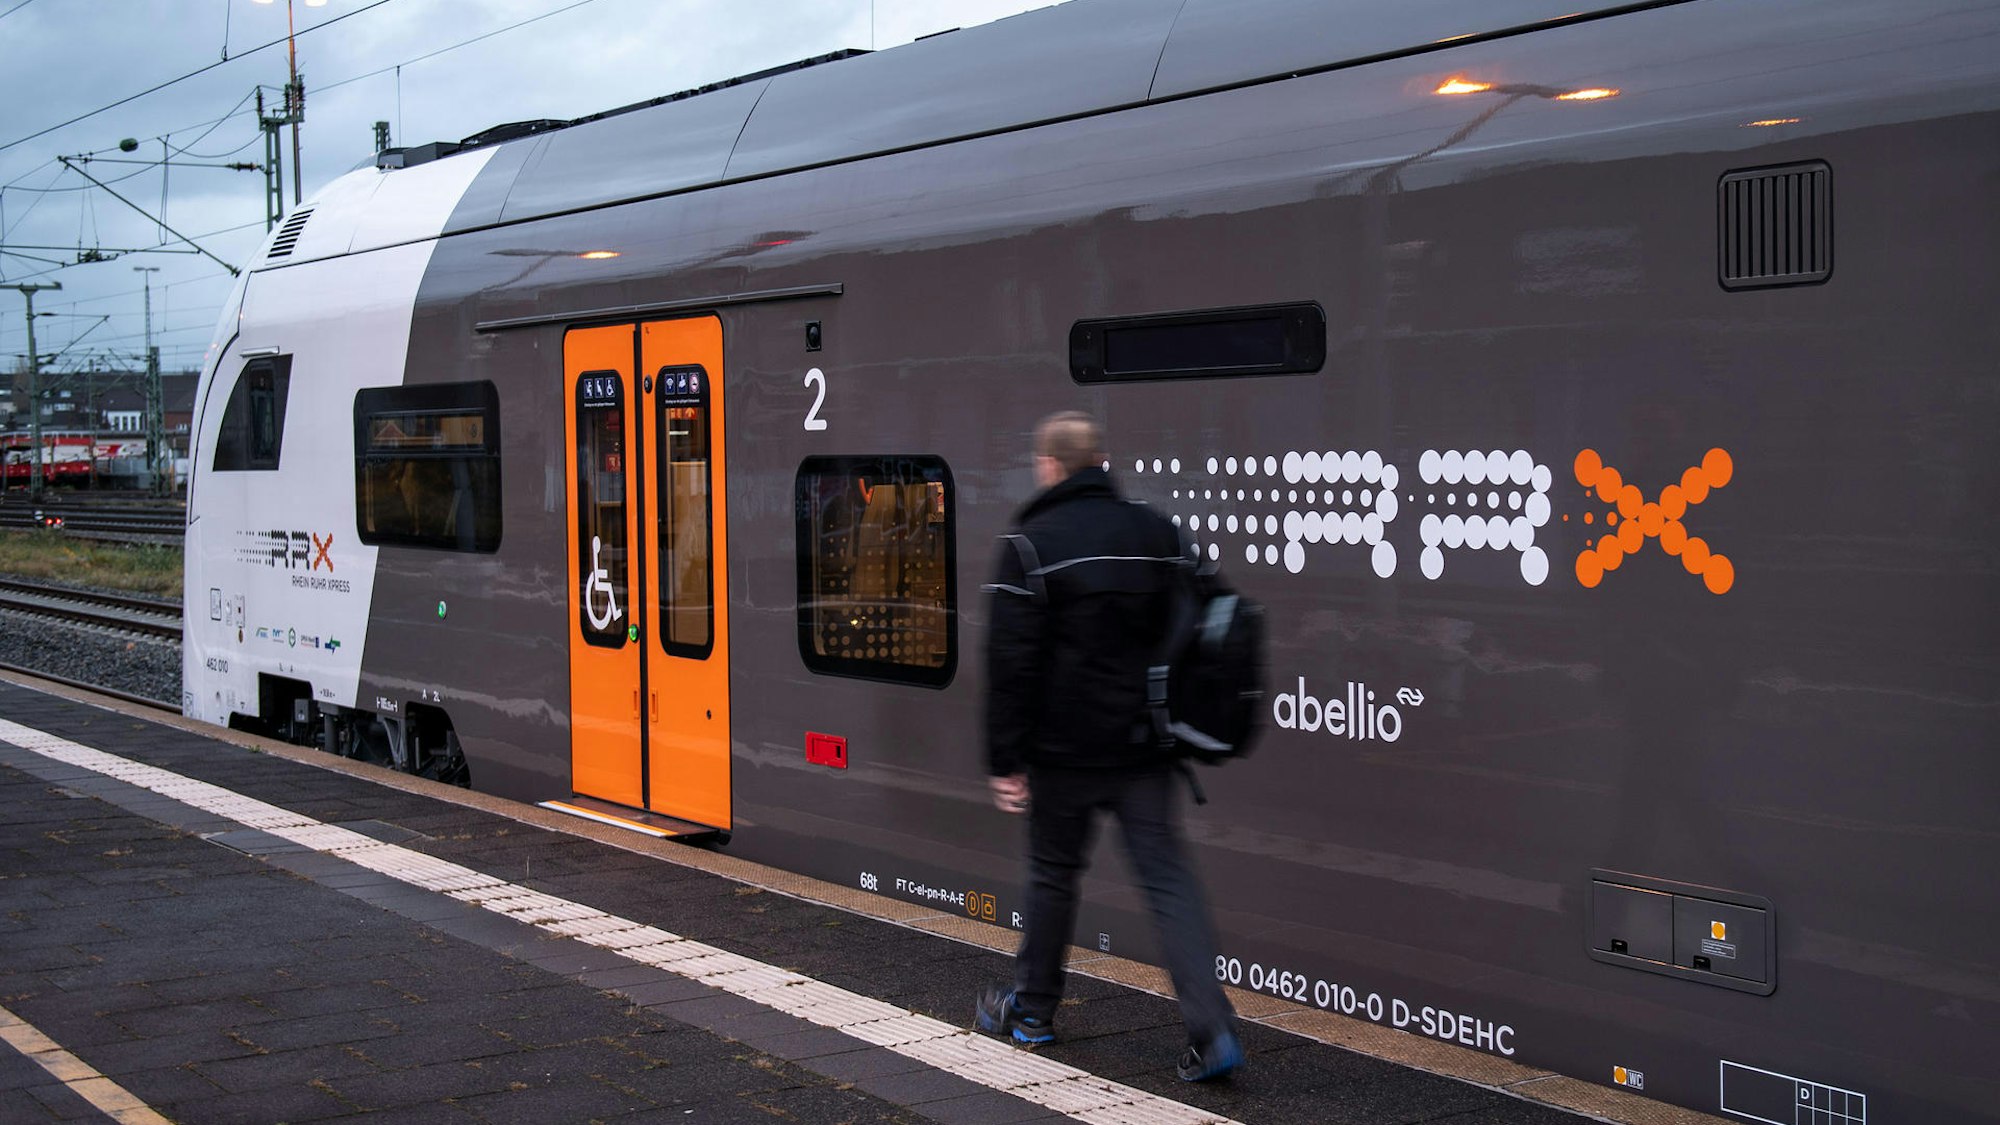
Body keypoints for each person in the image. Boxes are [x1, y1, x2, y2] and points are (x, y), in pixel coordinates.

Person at [973, 410, 1242, 1082]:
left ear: (1050, 466)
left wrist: (1006, 761)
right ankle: (1213, 1031)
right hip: (1145, 748)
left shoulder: (1030, 544)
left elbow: (1010, 663)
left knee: (1052, 874)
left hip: (1062, 753)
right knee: (1169, 881)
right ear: (1101, 462)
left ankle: (1033, 1013)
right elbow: (1209, 621)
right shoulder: (1157, 532)